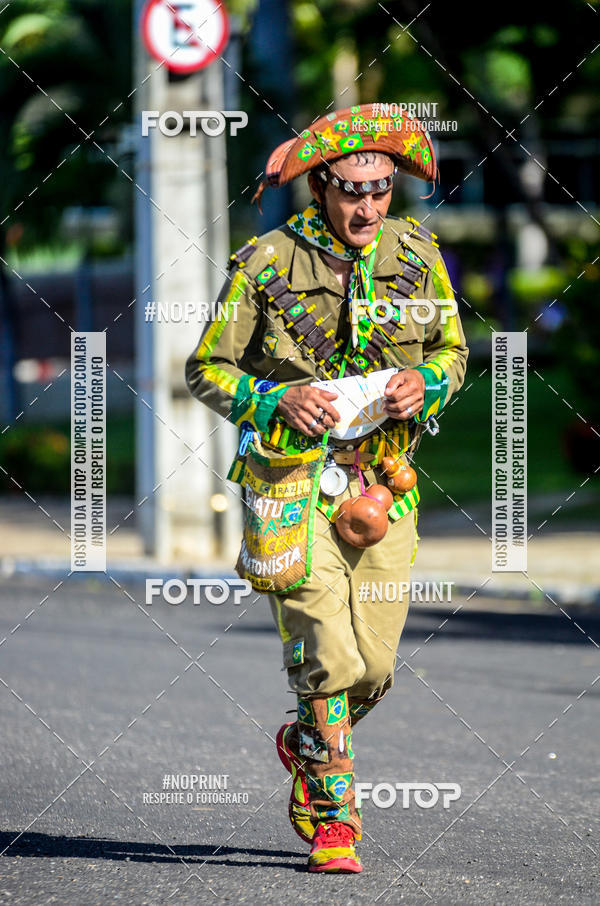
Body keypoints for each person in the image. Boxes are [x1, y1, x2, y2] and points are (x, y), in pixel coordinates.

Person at [185, 103, 468, 874]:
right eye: (351, 190)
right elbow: (205, 368)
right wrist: (274, 399)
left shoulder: (419, 253)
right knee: (328, 657)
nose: (368, 207)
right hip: (290, 484)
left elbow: (453, 351)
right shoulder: (266, 262)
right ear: (321, 186)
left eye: (381, 190)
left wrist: (426, 384)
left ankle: (306, 741)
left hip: (385, 491)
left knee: (373, 669)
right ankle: (334, 822)